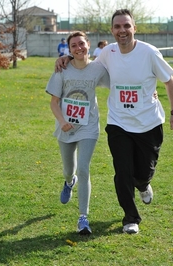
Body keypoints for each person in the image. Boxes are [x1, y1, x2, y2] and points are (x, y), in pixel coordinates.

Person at [56, 9, 173, 234]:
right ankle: (130, 218)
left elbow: (170, 81)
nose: (122, 31)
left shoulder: (149, 53)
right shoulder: (108, 53)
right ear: (112, 31)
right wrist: (68, 57)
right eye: (117, 27)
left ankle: (143, 184)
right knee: (122, 171)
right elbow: (87, 66)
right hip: (118, 123)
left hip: (148, 123)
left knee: (142, 172)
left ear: (134, 28)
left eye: (126, 26)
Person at [46, 31, 110, 235]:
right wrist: (63, 121)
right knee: (69, 169)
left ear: (88, 45)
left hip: (89, 126)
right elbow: (54, 102)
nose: (78, 48)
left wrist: (149, 90)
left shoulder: (98, 68)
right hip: (66, 127)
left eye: (81, 44)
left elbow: (118, 82)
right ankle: (68, 182)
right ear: (69, 49)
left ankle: (83, 217)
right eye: (74, 45)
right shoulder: (62, 69)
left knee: (83, 168)